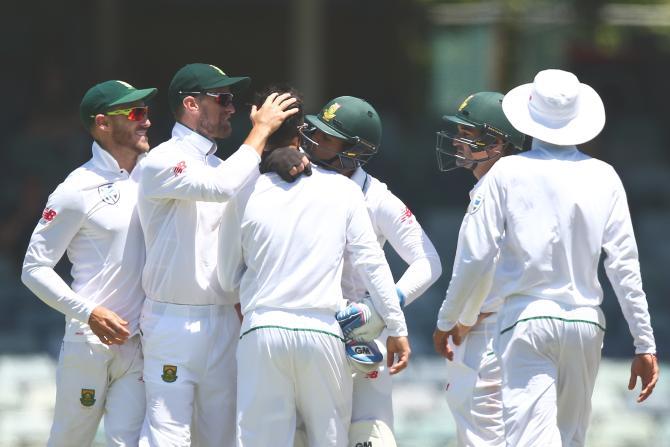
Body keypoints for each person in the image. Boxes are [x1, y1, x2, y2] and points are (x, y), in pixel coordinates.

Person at [433, 69, 659, 447]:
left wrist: (447, 320)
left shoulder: (507, 170)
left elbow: (476, 255)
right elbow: (624, 265)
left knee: (529, 441)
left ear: (529, 115)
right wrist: (644, 344)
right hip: (587, 323)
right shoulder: (605, 175)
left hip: (527, 320)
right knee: (570, 440)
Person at [217, 86, 411, 447]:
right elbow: (373, 264)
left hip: (263, 329)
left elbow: (228, 278)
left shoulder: (245, 190)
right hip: (323, 330)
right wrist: (397, 328)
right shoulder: (346, 191)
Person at [136, 64, 307, 447]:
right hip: (173, 321)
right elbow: (221, 187)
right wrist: (261, 130)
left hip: (225, 321)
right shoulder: (162, 160)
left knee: (224, 439)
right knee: (169, 440)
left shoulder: (222, 165)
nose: (232, 108)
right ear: (192, 104)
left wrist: (279, 159)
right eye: (224, 99)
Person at [299, 95, 441, 446]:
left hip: (360, 334)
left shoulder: (377, 198)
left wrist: (382, 308)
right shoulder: (296, 181)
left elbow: (428, 261)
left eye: (327, 137)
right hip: (307, 327)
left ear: (353, 151)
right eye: (315, 132)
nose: (314, 142)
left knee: (369, 434)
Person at [21, 79, 157, 446]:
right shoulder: (75, 188)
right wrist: (90, 313)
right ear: (102, 123)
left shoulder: (158, 175)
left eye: (146, 112)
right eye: (135, 112)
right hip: (89, 342)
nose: (146, 121)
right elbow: (33, 269)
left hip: (140, 345)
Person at [433, 91, 525, 446]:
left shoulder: (492, 187)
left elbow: (476, 261)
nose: (458, 140)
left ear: (497, 142)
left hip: (490, 330)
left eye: (468, 133)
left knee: (480, 436)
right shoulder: (528, 184)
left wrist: (451, 320)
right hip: (525, 327)